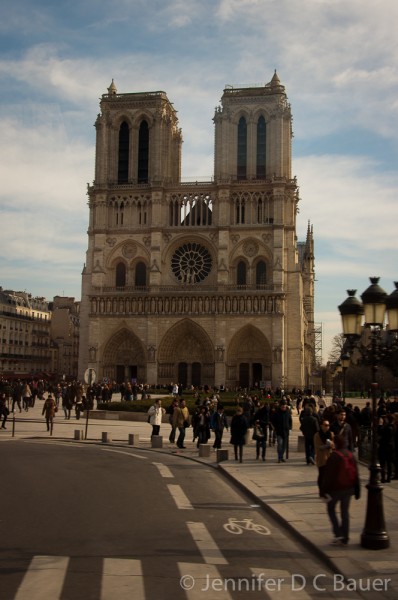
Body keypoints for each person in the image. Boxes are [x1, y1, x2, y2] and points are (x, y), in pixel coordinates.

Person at [321, 434, 360, 546]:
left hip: (336, 489)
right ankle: (345, 537)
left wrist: (323, 491)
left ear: (336, 443)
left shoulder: (334, 456)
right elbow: (356, 474)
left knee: (331, 508)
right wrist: (357, 491)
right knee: (345, 512)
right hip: (349, 488)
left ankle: (338, 534)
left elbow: (328, 476)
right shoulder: (350, 455)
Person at [314, 419, 334, 495]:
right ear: (321, 426)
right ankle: (321, 491)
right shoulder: (317, 435)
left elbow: (334, 445)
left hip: (329, 457)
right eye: (325, 425)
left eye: (328, 425)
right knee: (322, 475)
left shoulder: (331, 434)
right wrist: (327, 445)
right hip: (321, 458)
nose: (327, 427)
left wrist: (331, 444)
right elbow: (318, 446)